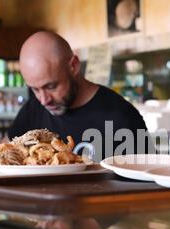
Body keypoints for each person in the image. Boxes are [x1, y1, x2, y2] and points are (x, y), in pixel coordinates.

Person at [8, 31, 152, 161]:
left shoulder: (121, 117)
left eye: (51, 86)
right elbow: (4, 152)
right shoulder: (33, 109)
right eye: (35, 90)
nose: (44, 100)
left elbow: (148, 183)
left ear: (74, 66)